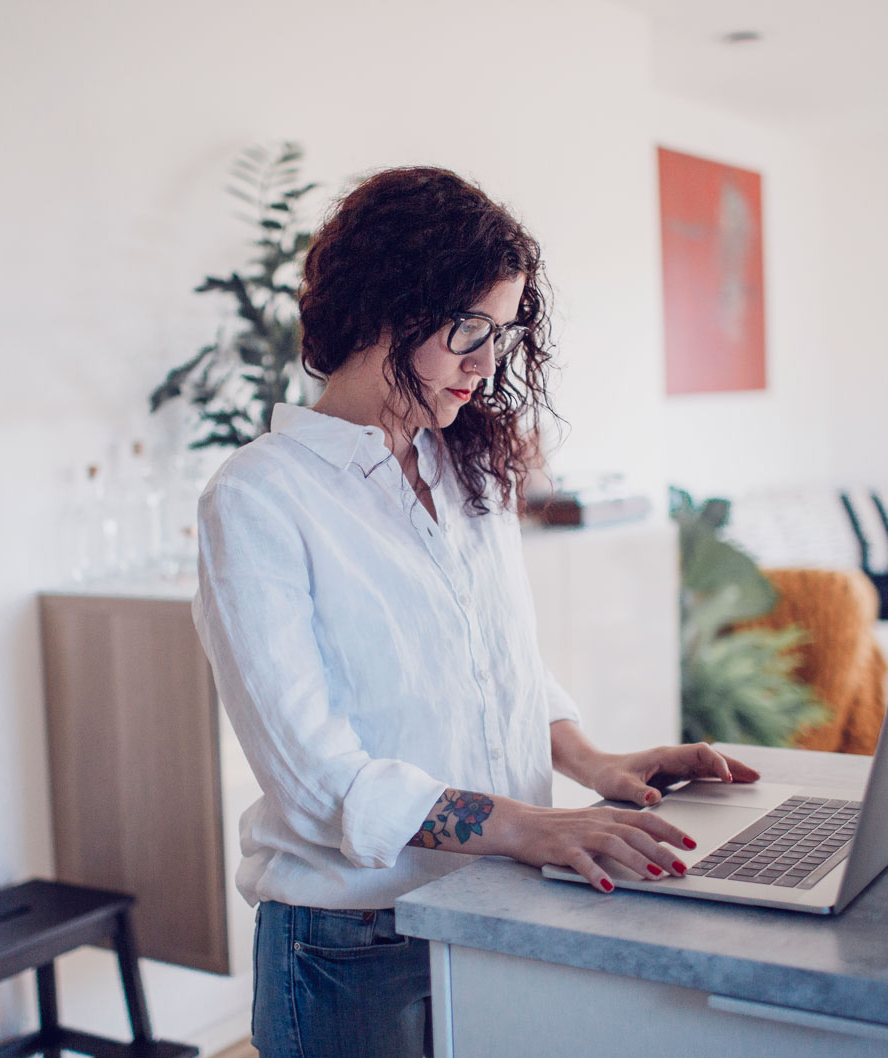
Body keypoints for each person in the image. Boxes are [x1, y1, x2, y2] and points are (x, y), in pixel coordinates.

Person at [192, 167, 760, 1058]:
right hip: (354, 946)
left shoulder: (466, 469)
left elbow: (497, 665)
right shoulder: (259, 498)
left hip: (490, 907)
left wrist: (588, 762)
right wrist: (526, 825)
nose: (487, 363)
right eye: (468, 330)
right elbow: (318, 779)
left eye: (502, 335)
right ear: (386, 306)